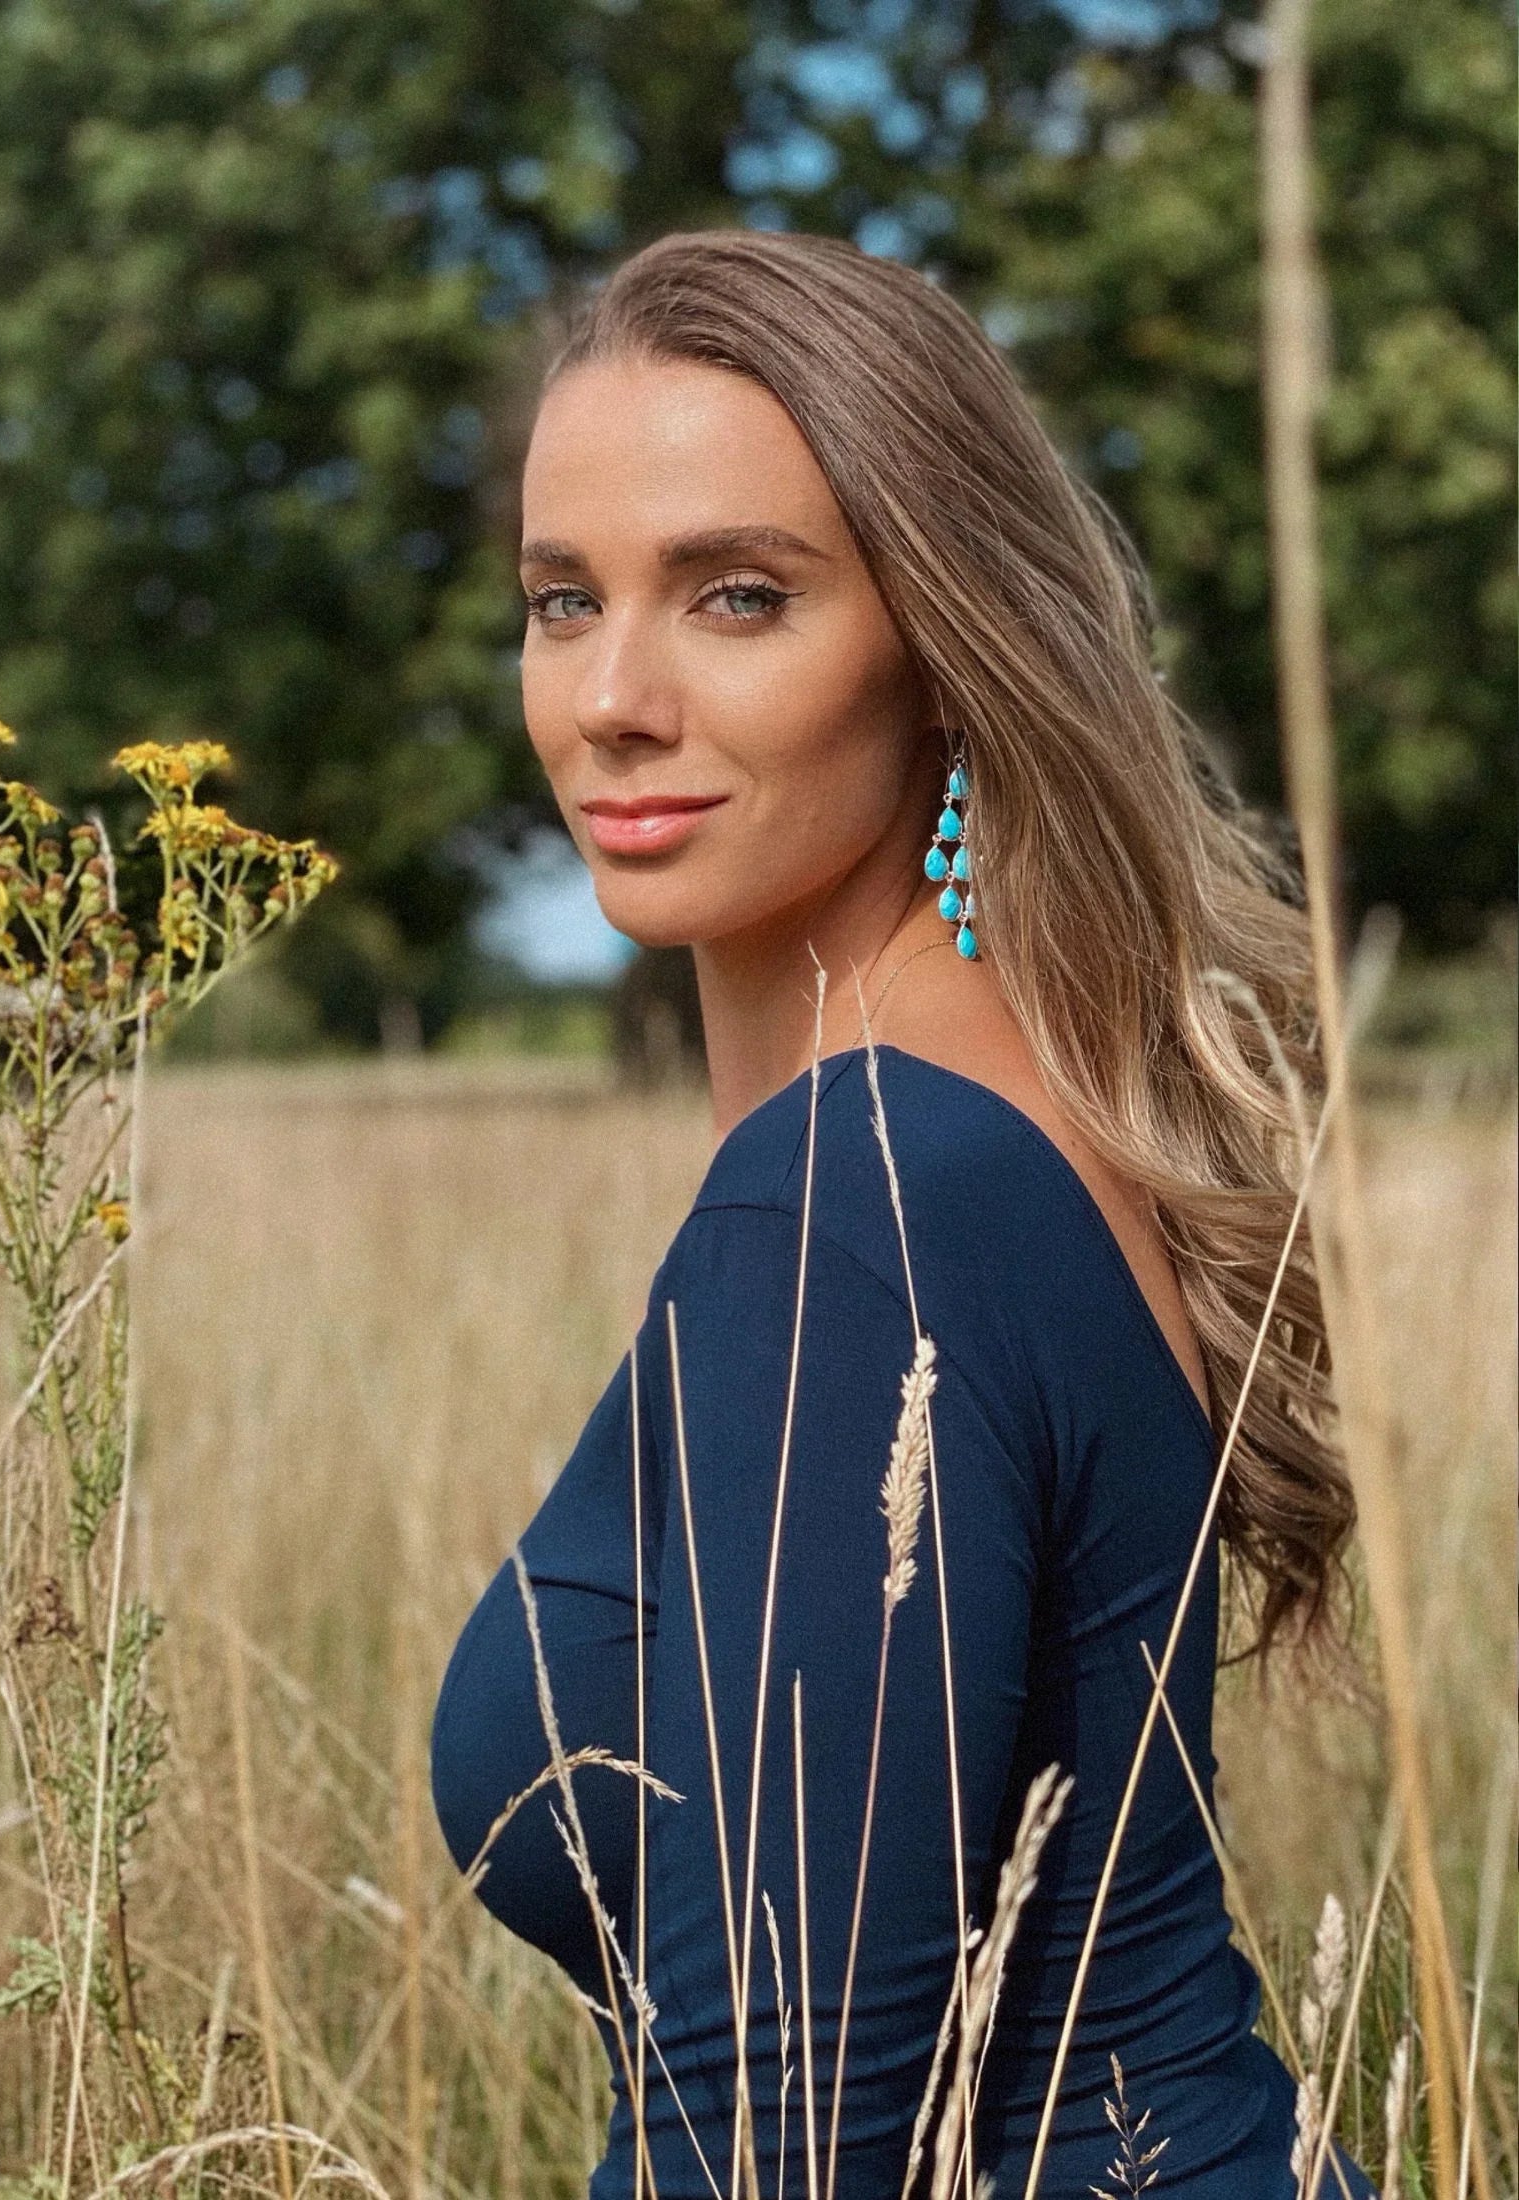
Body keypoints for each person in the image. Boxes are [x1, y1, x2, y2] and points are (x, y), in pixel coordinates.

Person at [430, 228, 1379, 2200]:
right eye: (558, 599)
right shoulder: (1017, 1119)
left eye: (740, 596)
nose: (609, 695)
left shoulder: (853, 1203)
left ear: (938, 639)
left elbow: (766, 2144)